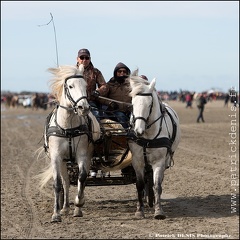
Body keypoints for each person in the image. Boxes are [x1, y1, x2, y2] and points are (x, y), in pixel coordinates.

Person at [76, 48, 109, 120]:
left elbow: (104, 86)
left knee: (96, 117)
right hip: (74, 102)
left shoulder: (95, 72)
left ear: (90, 59)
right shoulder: (72, 71)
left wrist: (98, 91)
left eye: (87, 58)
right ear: (77, 59)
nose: (84, 60)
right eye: (82, 58)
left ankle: (96, 131)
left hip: (90, 102)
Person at [100, 62, 132, 128]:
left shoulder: (131, 85)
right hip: (115, 111)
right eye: (119, 71)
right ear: (115, 73)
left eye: (124, 71)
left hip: (130, 110)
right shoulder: (109, 85)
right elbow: (100, 98)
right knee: (121, 116)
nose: (122, 73)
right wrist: (110, 103)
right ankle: (126, 134)